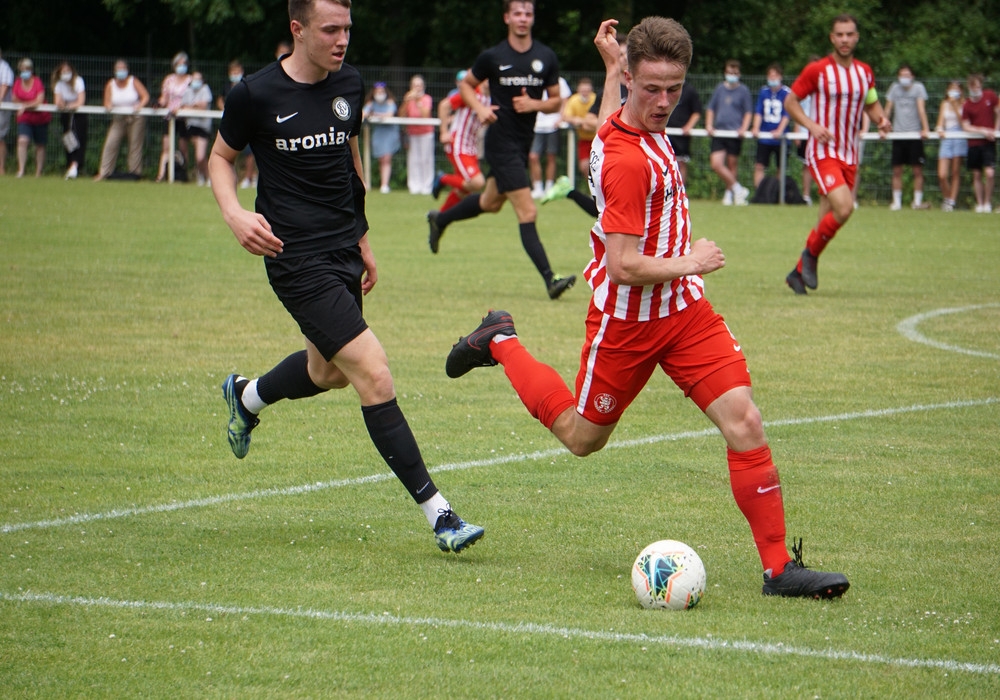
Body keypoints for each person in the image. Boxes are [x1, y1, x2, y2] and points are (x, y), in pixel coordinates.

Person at [445, 16, 850, 600]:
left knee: (745, 421)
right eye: (652, 89)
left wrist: (612, 66)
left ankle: (778, 569)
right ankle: (500, 340)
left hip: (684, 314)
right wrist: (693, 260)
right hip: (628, 322)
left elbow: (609, 115)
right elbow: (622, 265)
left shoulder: (623, 119)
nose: (663, 102)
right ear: (634, 81)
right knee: (582, 438)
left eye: (674, 89)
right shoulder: (626, 161)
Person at [209, 0, 483, 554]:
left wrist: (363, 236)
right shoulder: (255, 94)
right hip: (294, 257)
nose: (342, 40)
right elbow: (220, 157)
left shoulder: (350, 84)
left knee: (327, 372)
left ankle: (247, 396)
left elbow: (349, 158)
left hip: (343, 248)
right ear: (298, 29)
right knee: (373, 373)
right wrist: (235, 214)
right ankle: (441, 515)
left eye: (347, 29)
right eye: (330, 29)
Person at [425, 0, 576, 301]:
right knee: (527, 211)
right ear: (507, 18)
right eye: (517, 13)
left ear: (533, 18)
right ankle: (550, 279)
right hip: (500, 143)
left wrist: (534, 104)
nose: (523, 18)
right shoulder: (493, 56)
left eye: (528, 13)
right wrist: (480, 108)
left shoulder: (546, 57)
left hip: (522, 143)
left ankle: (440, 219)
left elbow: (556, 101)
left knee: (490, 202)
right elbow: (466, 86)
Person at [782, 14, 891, 295]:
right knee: (844, 208)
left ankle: (797, 273)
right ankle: (811, 256)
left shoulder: (864, 72)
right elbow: (790, 102)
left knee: (825, 221)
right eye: (839, 34)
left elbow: (871, 103)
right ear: (832, 38)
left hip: (850, 155)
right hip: (824, 152)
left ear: (857, 38)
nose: (845, 39)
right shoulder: (818, 70)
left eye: (849, 34)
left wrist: (881, 120)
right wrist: (812, 126)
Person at [433, 70, 488, 211]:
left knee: (464, 189)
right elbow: (444, 105)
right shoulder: (472, 93)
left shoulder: (491, 97)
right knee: (477, 182)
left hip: (471, 146)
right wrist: (444, 131)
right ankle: (443, 178)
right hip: (458, 144)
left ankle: (440, 217)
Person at [705, 59, 752, 205]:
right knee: (716, 163)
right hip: (719, 132)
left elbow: (748, 112)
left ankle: (730, 195)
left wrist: (744, 128)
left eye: (735, 73)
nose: (732, 75)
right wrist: (709, 125)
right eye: (730, 72)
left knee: (732, 164)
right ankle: (738, 189)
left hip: (734, 133)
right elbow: (711, 108)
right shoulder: (719, 89)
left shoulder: (743, 90)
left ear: (739, 74)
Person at [94, 60, 150, 181]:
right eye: (118, 69)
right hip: (118, 118)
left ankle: (135, 173)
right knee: (110, 143)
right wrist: (109, 106)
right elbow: (107, 102)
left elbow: (145, 96)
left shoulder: (133, 81)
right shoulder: (110, 84)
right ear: (115, 71)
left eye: (123, 68)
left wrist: (140, 105)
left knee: (135, 145)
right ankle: (104, 172)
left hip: (135, 117)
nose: (121, 71)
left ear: (127, 70)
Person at [884, 64, 930, 210]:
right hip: (898, 134)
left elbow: (921, 109)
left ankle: (917, 202)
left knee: (917, 170)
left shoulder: (918, 88)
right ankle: (896, 202)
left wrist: (925, 128)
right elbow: (888, 109)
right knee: (897, 170)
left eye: (907, 75)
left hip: (915, 135)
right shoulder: (894, 88)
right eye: (902, 75)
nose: (904, 78)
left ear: (912, 76)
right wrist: (883, 127)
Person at [960, 74, 999, 213]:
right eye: (972, 87)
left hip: (988, 143)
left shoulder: (990, 96)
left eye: (977, 86)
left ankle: (987, 203)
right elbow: (965, 126)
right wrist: (982, 130)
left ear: (981, 85)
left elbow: (998, 111)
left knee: (989, 173)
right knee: (976, 174)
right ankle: (980, 203)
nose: (975, 89)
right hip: (974, 143)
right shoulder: (967, 105)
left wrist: (995, 130)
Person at [217, 60, 257, 189]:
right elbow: (220, 99)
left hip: (246, 123)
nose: (235, 74)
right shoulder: (226, 87)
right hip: (231, 125)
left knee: (249, 153)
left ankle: (249, 177)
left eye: (237, 71)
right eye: (233, 72)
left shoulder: (246, 85)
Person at [529, 76, 570, 198]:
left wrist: (561, 118)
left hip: (553, 125)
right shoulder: (532, 78)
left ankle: (549, 187)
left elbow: (565, 101)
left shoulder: (560, 81)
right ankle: (537, 188)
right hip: (536, 126)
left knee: (551, 156)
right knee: (533, 156)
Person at [750, 63, 790, 188]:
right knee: (759, 165)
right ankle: (759, 193)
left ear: (780, 76)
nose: (772, 78)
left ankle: (778, 194)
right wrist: (756, 127)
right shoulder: (763, 92)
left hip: (780, 138)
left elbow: (787, 114)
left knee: (780, 167)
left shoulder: (786, 92)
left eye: (775, 75)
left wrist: (779, 130)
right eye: (770, 76)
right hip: (765, 136)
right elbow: (759, 111)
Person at [156, 52, 193, 182]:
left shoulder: (190, 80)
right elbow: (164, 98)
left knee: (183, 148)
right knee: (166, 147)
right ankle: (161, 174)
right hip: (169, 116)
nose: (181, 66)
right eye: (179, 64)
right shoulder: (169, 80)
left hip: (184, 117)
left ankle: (183, 174)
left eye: (184, 64)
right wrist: (158, 104)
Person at [12, 58, 51, 178]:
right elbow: (14, 99)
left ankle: (38, 172)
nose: (25, 71)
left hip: (40, 117)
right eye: (23, 69)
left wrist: (25, 105)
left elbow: (39, 100)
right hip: (25, 117)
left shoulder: (37, 82)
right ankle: (21, 170)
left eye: (27, 69)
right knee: (22, 141)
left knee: (40, 144)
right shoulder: (17, 82)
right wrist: (26, 105)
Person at [51, 61, 88, 180]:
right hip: (66, 115)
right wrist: (63, 105)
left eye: (68, 71)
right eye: (63, 72)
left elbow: (81, 101)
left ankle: (76, 165)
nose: (66, 73)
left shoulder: (78, 81)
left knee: (79, 138)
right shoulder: (59, 84)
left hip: (79, 115)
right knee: (68, 138)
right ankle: (71, 164)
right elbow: (58, 101)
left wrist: (69, 105)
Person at [362, 81, 401, 193]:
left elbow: (390, 115)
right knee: (381, 158)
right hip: (379, 133)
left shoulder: (390, 102)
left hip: (390, 132)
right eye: (378, 92)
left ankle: (385, 184)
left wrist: (375, 115)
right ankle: (382, 183)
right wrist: (369, 112)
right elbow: (363, 113)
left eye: (382, 91)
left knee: (387, 158)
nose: (380, 94)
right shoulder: (371, 103)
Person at [935, 81, 967, 212]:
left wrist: (955, 106)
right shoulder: (944, 104)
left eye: (956, 89)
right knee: (942, 174)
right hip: (947, 137)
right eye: (951, 88)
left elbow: (963, 123)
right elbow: (940, 122)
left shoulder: (964, 104)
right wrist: (939, 129)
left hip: (959, 135)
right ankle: (947, 198)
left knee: (955, 172)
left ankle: (952, 201)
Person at [402, 74, 434, 195]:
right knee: (413, 160)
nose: (417, 88)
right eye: (415, 85)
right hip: (412, 133)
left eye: (419, 85)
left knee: (426, 160)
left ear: (423, 87)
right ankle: (414, 186)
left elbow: (425, 115)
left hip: (426, 133)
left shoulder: (427, 99)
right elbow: (401, 114)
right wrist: (406, 102)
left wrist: (417, 101)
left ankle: (427, 187)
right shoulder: (408, 99)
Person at [665, 79, 702, 183]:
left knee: (681, 162)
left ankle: (680, 189)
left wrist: (689, 126)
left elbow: (697, 111)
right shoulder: (665, 89)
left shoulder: (690, 90)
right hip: (665, 132)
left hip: (681, 135)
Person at [561, 76, 597, 182]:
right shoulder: (574, 100)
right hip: (584, 139)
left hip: (597, 139)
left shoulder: (596, 99)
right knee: (584, 166)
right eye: (583, 90)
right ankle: (591, 186)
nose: (585, 93)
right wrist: (581, 121)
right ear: (578, 89)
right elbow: (566, 116)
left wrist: (586, 123)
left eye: (587, 90)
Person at [181, 70, 213, 186]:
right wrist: (194, 106)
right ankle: (201, 175)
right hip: (192, 125)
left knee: (200, 156)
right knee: (197, 155)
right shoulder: (188, 90)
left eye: (198, 79)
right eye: (194, 79)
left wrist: (191, 106)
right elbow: (184, 106)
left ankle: (208, 176)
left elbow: (203, 106)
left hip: (203, 127)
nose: (196, 81)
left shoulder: (205, 89)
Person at [0, 48, 13, 175]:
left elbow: (5, 85)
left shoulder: (4, 68)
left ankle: (1, 168)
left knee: (0, 137)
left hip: (2, 108)